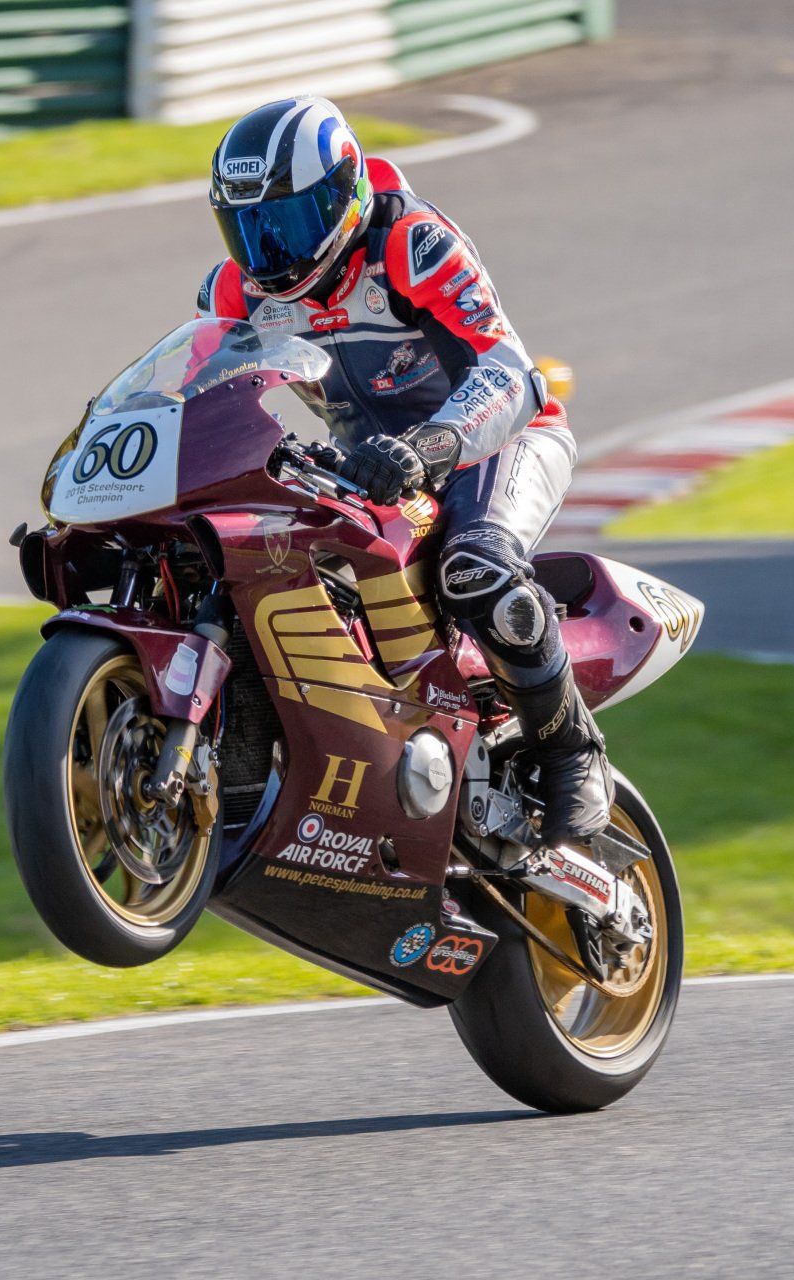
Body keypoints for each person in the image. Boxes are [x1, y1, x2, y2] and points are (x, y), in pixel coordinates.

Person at [196, 96, 610, 842]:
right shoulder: (236, 290)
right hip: (369, 469)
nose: (272, 252)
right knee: (245, 565)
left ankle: (573, 754)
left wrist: (431, 447)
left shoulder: (409, 243)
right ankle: (252, 779)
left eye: (287, 222)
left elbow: (509, 372)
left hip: (495, 440)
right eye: (250, 229)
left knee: (475, 567)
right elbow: (200, 398)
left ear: (346, 192)